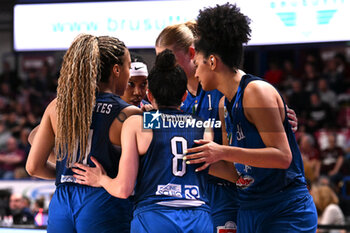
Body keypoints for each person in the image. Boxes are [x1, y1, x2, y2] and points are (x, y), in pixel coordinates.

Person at [184, 3, 318, 233]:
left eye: (197, 65)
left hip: (285, 208)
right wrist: (196, 160)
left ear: (213, 62)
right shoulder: (223, 103)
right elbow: (235, 172)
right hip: (249, 207)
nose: (195, 73)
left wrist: (222, 151)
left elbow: (282, 157)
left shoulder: (256, 92)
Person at [155, 20, 299, 232]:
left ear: (192, 54)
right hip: (193, 192)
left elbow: (270, 135)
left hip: (234, 191)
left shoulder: (224, 86)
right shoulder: (168, 97)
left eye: (167, 57)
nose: (163, 65)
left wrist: (284, 120)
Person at [72, 49, 236, 233]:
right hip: (198, 216)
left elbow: (123, 189)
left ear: (149, 95)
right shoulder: (202, 126)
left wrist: (100, 179)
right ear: (183, 96)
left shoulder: (137, 123)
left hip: (155, 217)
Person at [25, 34, 141, 233]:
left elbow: (33, 166)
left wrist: (69, 173)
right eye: (129, 67)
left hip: (61, 203)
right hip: (103, 200)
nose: (129, 74)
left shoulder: (57, 106)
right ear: (116, 70)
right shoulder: (128, 114)